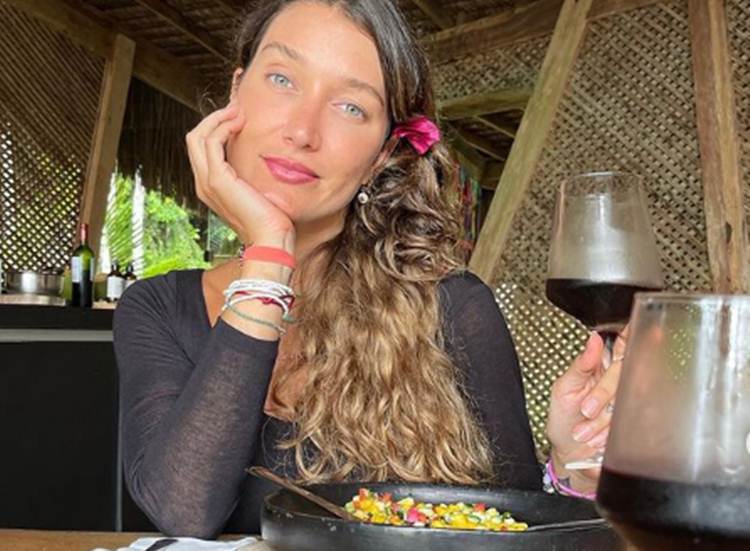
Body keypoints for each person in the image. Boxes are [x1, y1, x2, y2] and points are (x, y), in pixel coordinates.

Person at [113, 0, 622, 538]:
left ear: (382, 154)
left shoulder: (453, 307)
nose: (303, 131)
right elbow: (184, 511)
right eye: (282, 79)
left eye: (351, 107)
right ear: (236, 92)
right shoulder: (157, 308)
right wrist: (269, 254)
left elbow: (515, 522)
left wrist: (571, 472)